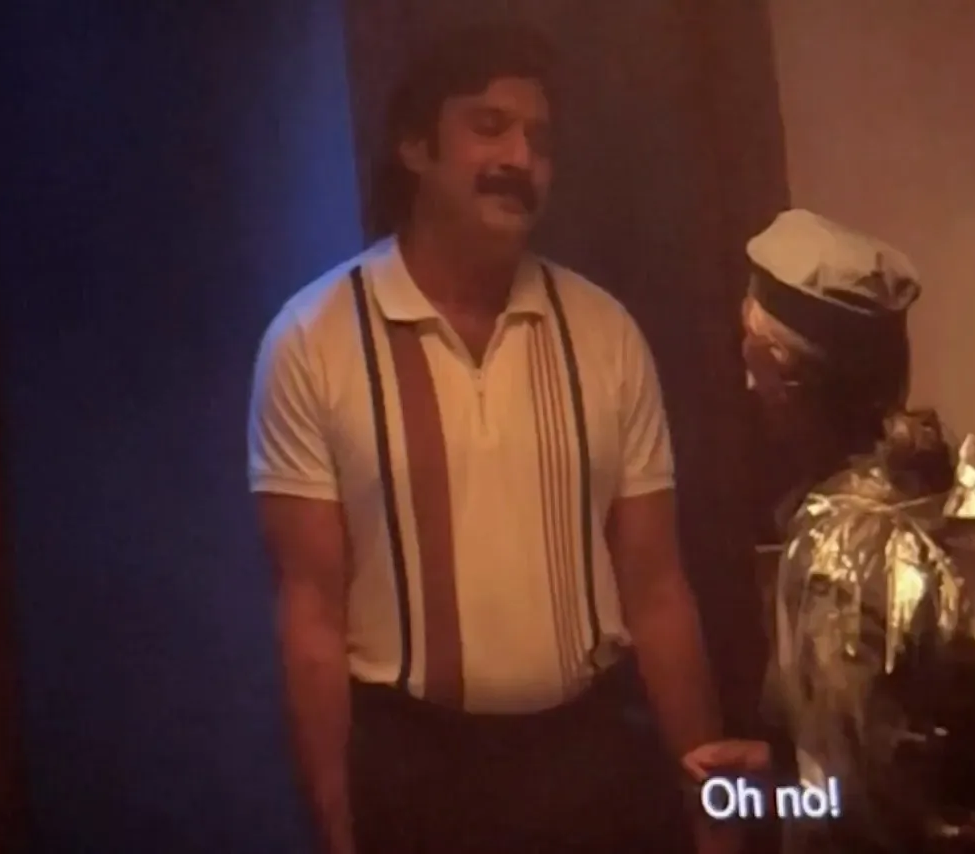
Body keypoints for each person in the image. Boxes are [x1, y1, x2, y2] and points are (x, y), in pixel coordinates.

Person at [248, 22, 731, 854]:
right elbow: (312, 615)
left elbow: (657, 590)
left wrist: (712, 803)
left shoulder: (605, 333)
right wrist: (336, 828)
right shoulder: (313, 341)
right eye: (489, 126)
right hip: (415, 767)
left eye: (539, 140)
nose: (520, 158)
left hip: (590, 757)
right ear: (416, 146)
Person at [682, 210, 975, 853]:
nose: (747, 382)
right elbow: (926, 757)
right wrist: (788, 760)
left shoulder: (838, 552)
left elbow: (857, 820)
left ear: (793, 375)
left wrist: (761, 797)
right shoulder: (973, 499)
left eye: (754, 353)